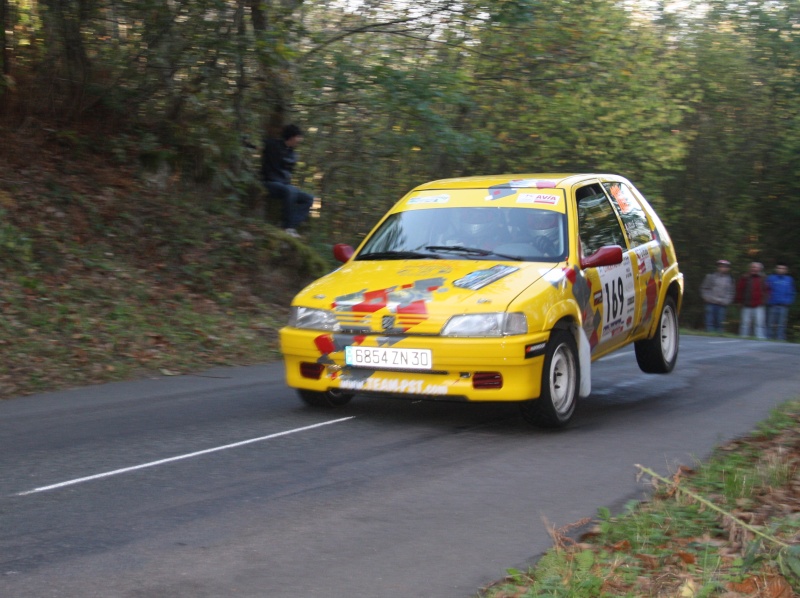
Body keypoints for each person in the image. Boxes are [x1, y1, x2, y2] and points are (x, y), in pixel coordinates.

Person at [261, 124, 314, 238]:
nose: (300, 140)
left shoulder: (292, 153)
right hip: (270, 183)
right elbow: (257, 144)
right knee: (291, 190)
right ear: (292, 136)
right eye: (298, 136)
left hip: (284, 186)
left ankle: (290, 225)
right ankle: (288, 228)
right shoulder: (273, 144)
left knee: (308, 198)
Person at [735, 262, 769, 339]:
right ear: (749, 268)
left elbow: (767, 290)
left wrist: (765, 300)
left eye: (756, 267)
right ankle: (743, 337)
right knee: (745, 323)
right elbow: (739, 290)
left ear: (760, 269)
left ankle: (760, 338)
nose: (753, 269)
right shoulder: (744, 278)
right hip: (746, 304)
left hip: (759, 304)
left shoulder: (764, 278)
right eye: (752, 267)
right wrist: (739, 301)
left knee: (759, 323)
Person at [700, 259, 735, 333]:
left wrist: (727, 301)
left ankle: (719, 334)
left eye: (725, 267)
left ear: (728, 268)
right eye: (721, 266)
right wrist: (707, 298)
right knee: (709, 319)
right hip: (711, 302)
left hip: (722, 303)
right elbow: (704, 288)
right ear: (718, 267)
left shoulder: (730, 279)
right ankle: (709, 333)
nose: (723, 268)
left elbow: (731, 292)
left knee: (720, 320)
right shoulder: (711, 277)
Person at [766, 262, 796, 341]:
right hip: (772, 304)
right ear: (776, 269)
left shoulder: (789, 279)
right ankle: (769, 338)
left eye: (783, 268)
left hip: (784, 305)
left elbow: (792, 292)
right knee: (770, 323)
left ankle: (780, 339)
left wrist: (789, 301)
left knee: (782, 324)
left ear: (786, 270)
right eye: (779, 268)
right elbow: (766, 290)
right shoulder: (771, 278)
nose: (780, 270)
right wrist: (768, 300)